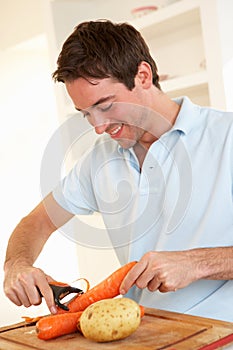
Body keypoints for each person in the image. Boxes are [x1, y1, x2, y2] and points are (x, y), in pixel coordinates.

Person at [3, 20, 233, 321]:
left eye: (106, 105)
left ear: (143, 76)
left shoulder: (226, 136)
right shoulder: (98, 161)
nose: (98, 127)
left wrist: (197, 263)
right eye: (86, 114)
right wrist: (17, 265)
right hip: (141, 335)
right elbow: (37, 222)